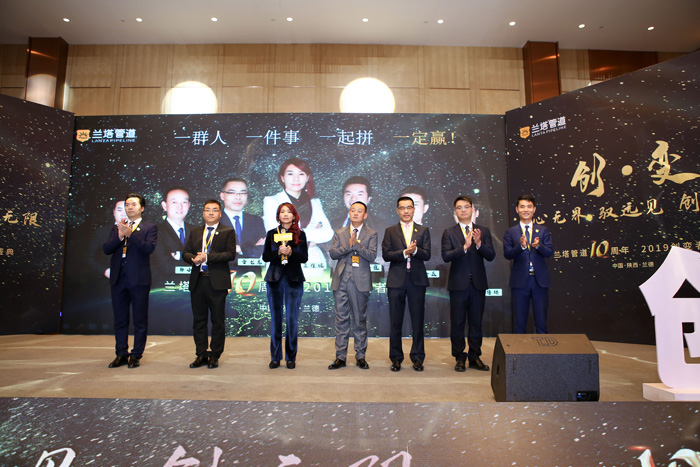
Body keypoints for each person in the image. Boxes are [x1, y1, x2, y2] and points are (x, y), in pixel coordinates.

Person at [102, 193, 158, 368]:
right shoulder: (117, 227)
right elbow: (106, 249)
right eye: (127, 204)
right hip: (119, 278)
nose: (130, 207)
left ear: (142, 208)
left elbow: (148, 248)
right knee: (120, 319)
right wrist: (120, 236)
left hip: (139, 280)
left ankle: (136, 355)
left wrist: (130, 234)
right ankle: (121, 353)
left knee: (139, 319)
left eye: (133, 204)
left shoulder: (150, 227)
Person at [441, 196, 495, 372]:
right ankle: (459, 357)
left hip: (478, 285)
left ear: (473, 210)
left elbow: (491, 255)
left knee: (476, 322)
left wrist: (478, 244)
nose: (463, 210)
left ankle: (474, 356)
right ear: (455, 212)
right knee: (457, 323)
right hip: (458, 285)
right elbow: (446, 256)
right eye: (459, 207)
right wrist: (464, 247)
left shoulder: (483, 231)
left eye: (466, 207)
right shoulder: (449, 232)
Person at [183, 200, 237, 369]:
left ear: (220, 213)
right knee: (199, 320)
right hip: (198, 281)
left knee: (217, 320)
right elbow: (185, 252)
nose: (211, 213)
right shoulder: (195, 232)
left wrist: (207, 257)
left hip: (217, 282)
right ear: (203, 213)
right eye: (207, 210)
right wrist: (193, 259)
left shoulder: (227, 231)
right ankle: (201, 354)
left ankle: (214, 354)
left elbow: (230, 254)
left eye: (215, 210)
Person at [382, 196, 431, 372]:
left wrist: (415, 251)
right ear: (397, 211)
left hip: (417, 281)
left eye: (409, 207)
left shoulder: (423, 230)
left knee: (417, 322)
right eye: (402, 208)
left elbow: (427, 254)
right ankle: (396, 358)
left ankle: (418, 358)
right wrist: (404, 252)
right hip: (396, 281)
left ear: (414, 209)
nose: (406, 211)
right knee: (395, 322)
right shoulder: (390, 230)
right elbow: (386, 255)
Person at [327, 201, 378, 370]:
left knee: (359, 320)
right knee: (341, 320)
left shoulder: (371, 233)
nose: (355, 213)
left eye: (359, 211)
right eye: (353, 210)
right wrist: (348, 246)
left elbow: (371, 256)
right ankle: (340, 357)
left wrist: (356, 245)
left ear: (365, 215)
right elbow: (333, 253)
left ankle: (360, 356)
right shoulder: (340, 232)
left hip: (360, 282)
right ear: (349, 213)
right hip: (341, 280)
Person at [263, 157, 332, 278]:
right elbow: (275, 236)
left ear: (307, 178)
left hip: (312, 261)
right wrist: (312, 236)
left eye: (301, 174)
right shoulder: (272, 201)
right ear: (282, 178)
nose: (296, 178)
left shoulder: (315, 203)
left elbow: (328, 233)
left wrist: (295, 233)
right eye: (290, 174)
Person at [262, 202, 309, 369]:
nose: (286, 214)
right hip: (274, 279)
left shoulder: (300, 234)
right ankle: (275, 357)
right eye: (282, 212)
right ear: (278, 216)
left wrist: (291, 253)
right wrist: (278, 252)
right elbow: (265, 256)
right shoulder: (271, 233)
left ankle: (290, 357)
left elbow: (304, 258)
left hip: (293, 280)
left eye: (289, 212)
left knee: (292, 320)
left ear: (294, 215)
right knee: (276, 320)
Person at [503, 194, 554, 334]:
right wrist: (521, 246)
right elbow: (507, 254)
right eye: (522, 207)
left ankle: (542, 347)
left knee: (541, 321)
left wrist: (538, 246)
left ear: (534, 209)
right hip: (520, 281)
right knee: (520, 322)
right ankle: (519, 348)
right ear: (517, 209)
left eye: (529, 207)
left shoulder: (543, 230)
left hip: (539, 281)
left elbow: (549, 252)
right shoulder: (510, 232)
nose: (526, 210)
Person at [152, 187, 194, 286]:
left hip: (194, 287)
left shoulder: (197, 231)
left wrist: (178, 256)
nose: (180, 207)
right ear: (164, 205)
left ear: (189, 205)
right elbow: (166, 267)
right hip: (167, 289)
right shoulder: (155, 232)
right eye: (174, 202)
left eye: (184, 202)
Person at [219, 178, 266, 260]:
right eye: (232, 192)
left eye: (242, 193)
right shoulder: (213, 221)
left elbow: (261, 250)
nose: (238, 197)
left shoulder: (257, 221)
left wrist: (239, 249)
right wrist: (249, 249)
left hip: (251, 268)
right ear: (222, 196)